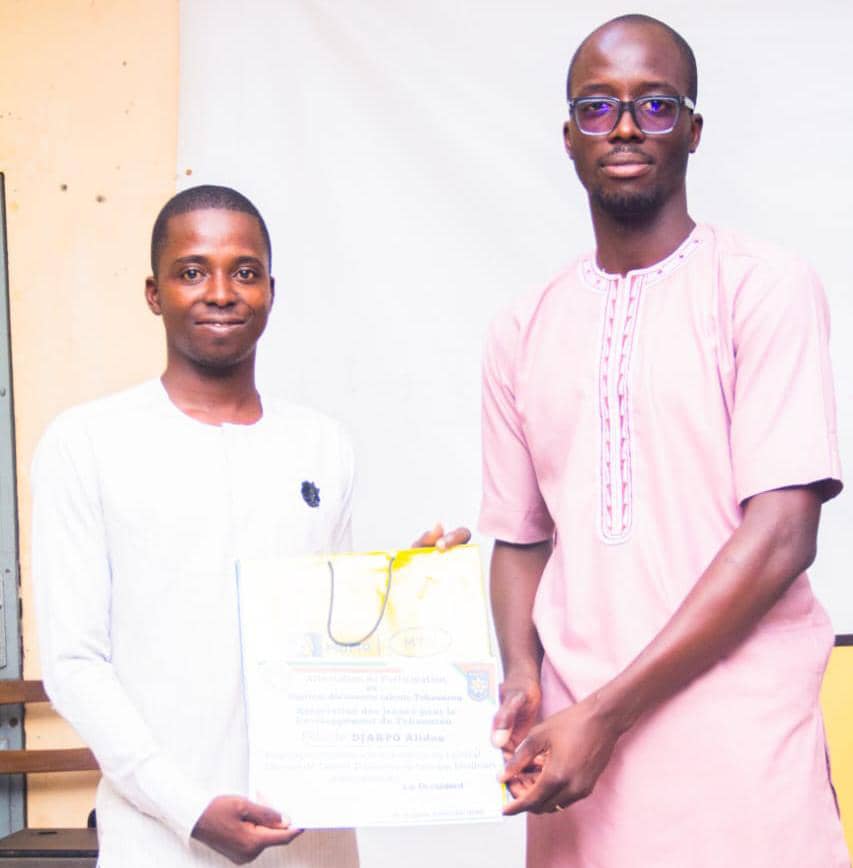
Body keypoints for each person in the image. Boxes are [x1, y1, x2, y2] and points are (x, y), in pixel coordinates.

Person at [480, 14, 849, 868]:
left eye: (653, 105)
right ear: (568, 136)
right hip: (574, 755)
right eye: (597, 106)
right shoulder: (522, 327)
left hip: (738, 738)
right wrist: (521, 675)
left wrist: (607, 714)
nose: (622, 127)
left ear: (692, 129)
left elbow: (782, 535)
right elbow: (520, 538)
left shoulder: (763, 288)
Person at [32, 185, 466, 867]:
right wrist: (187, 807)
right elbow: (74, 664)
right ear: (154, 293)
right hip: (161, 841)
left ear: (270, 290)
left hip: (310, 839)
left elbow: (334, 641)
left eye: (244, 271)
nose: (221, 292)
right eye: (192, 271)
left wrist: (410, 593)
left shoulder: (322, 444)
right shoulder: (86, 443)